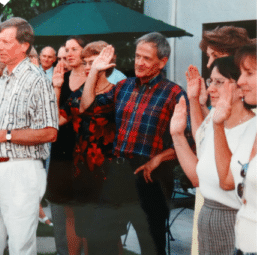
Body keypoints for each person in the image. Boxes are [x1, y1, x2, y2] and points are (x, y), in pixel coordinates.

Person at [80, 32, 194, 255]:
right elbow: (87, 107)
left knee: (151, 244)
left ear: (162, 62)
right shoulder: (123, 86)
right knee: (98, 238)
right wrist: (95, 70)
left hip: (152, 177)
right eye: (137, 56)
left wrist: (159, 158)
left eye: (147, 58)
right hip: (119, 172)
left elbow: (190, 141)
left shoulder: (174, 94)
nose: (139, 63)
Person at [0, 17, 58, 255]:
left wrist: (4, 135)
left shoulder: (37, 79)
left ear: (24, 45)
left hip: (22, 170)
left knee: (21, 244)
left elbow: (50, 132)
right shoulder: (6, 78)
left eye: (6, 42)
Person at [170, 56, 256, 255]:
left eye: (219, 82)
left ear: (239, 86)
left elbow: (228, 182)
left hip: (234, 221)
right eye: (210, 82)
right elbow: (197, 178)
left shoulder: (251, 129)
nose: (209, 89)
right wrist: (177, 136)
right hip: (207, 215)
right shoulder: (212, 120)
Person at [56, 40, 127, 255]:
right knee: (87, 232)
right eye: (86, 63)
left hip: (108, 177)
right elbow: (55, 120)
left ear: (107, 65)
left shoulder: (118, 94)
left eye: (93, 63)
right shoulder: (78, 94)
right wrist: (57, 87)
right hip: (82, 173)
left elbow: (87, 105)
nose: (88, 67)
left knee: (107, 238)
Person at [212, 44, 257, 254]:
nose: (240, 81)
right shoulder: (253, 127)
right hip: (243, 244)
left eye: (249, 73)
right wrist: (217, 125)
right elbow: (228, 180)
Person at [46, 36, 88, 255]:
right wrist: (56, 87)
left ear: (84, 52)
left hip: (84, 153)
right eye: (67, 50)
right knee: (62, 213)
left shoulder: (93, 79)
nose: (70, 54)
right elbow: (50, 119)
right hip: (60, 152)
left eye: (75, 49)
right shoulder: (61, 78)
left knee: (84, 216)